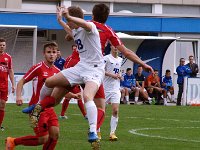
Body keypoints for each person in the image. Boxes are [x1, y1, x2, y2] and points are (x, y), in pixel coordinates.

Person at [24, 3, 153, 144]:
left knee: (73, 98)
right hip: (81, 66)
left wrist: (67, 18)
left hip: (91, 68)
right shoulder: (105, 30)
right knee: (98, 105)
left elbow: (77, 29)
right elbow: (126, 51)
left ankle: (93, 131)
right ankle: (40, 107)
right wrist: (62, 20)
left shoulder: (89, 25)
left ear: (91, 15)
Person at [5, 42, 61, 150]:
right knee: (43, 138)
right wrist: (18, 96)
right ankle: (13, 142)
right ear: (44, 54)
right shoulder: (38, 68)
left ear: (57, 54)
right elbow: (22, 81)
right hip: (36, 108)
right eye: (49, 52)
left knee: (55, 135)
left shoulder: (58, 71)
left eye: (54, 52)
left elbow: (59, 89)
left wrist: (74, 94)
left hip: (49, 109)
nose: (51, 54)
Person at [60, 45, 86, 119]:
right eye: (74, 49)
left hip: (76, 79)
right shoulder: (70, 58)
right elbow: (65, 68)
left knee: (69, 97)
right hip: (71, 80)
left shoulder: (81, 59)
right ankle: (85, 115)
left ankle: (62, 115)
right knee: (78, 96)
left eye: (76, 48)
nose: (76, 50)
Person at [103, 45, 122, 141]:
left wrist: (120, 76)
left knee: (115, 110)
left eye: (117, 46)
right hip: (105, 88)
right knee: (102, 112)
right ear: (111, 47)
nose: (115, 48)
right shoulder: (106, 58)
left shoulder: (120, 60)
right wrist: (112, 75)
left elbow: (118, 71)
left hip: (115, 88)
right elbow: (101, 70)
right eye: (114, 46)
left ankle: (112, 133)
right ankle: (96, 130)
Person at [0, 38, 15, 131]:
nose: (2, 47)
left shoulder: (8, 57)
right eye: (0, 45)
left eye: (3, 45)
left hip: (4, 85)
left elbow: (10, 71)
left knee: (2, 105)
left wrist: (13, 84)